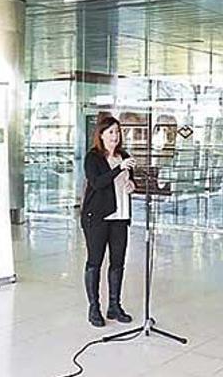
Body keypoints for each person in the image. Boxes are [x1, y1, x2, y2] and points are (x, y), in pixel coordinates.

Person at [81, 115, 136, 327]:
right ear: (101, 135)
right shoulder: (93, 158)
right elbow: (97, 183)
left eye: (118, 132)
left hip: (120, 217)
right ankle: (94, 307)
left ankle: (114, 306)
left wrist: (131, 184)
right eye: (111, 132)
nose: (115, 136)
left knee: (118, 262)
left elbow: (129, 181)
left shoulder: (124, 156)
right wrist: (118, 168)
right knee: (95, 261)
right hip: (98, 218)